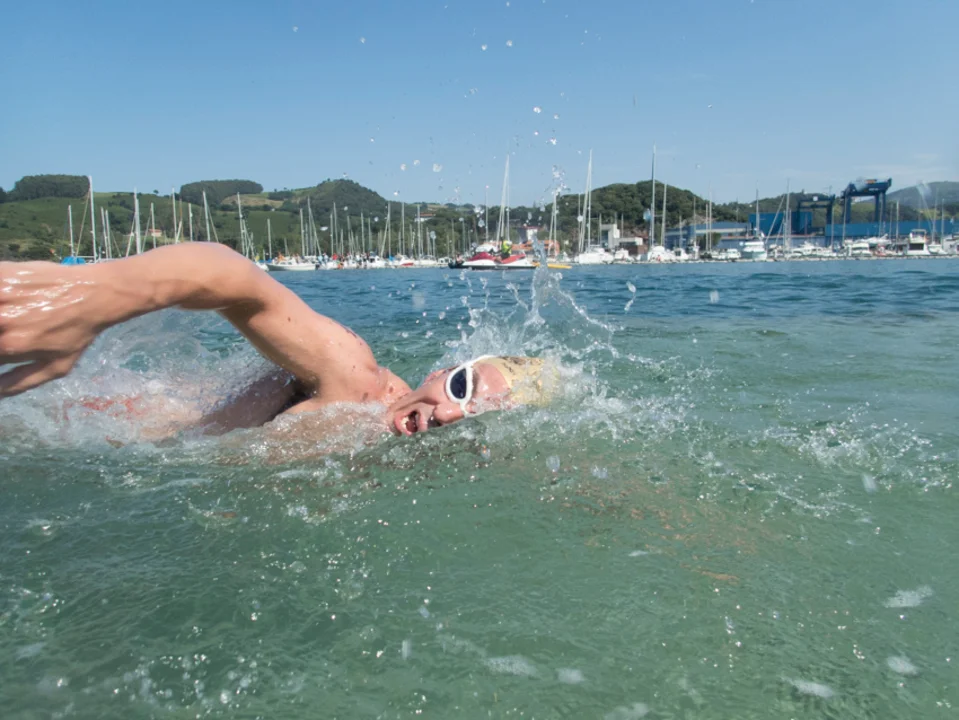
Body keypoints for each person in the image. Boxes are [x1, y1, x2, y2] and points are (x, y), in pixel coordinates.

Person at [0, 243, 552, 440]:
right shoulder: (355, 380)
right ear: (441, 370)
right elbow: (234, 280)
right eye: (461, 387)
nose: (450, 415)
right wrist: (91, 299)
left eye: (478, 417)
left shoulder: (412, 449)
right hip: (96, 423)